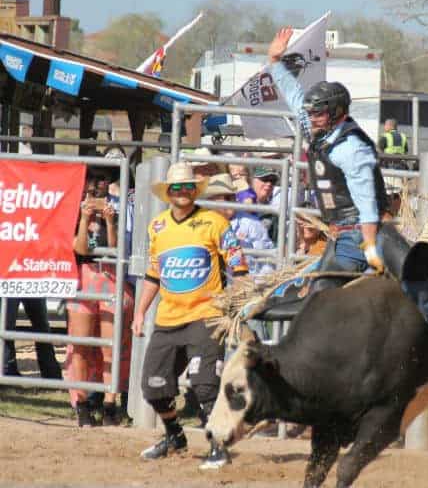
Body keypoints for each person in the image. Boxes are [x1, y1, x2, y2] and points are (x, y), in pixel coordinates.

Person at [266, 27, 428, 378]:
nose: (312, 117)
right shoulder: (319, 130)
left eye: (319, 113)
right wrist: (275, 62)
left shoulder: (352, 149)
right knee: (314, 296)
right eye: (312, 113)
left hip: (373, 232)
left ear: (337, 114)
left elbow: (367, 203)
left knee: (413, 280)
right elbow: (294, 97)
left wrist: (371, 245)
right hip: (341, 237)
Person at [132, 162, 248, 470]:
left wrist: (235, 305)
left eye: (187, 188)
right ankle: (174, 436)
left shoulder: (214, 223)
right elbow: (153, 274)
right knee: (153, 387)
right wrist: (140, 312)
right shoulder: (158, 227)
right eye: (176, 188)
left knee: (205, 384)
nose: (182, 193)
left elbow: (239, 267)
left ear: (194, 192)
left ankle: (218, 446)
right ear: (168, 193)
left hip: (206, 316)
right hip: (168, 319)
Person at [66, 168, 134, 427]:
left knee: (110, 347)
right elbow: (81, 248)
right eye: (93, 179)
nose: (98, 186)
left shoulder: (116, 210)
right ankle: (82, 405)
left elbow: (116, 250)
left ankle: (109, 404)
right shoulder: (73, 209)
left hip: (111, 278)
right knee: (81, 345)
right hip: (84, 276)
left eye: (103, 180)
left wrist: (108, 221)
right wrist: (85, 218)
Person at [203, 173, 275, 278]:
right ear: (211, 200)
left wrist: (256, 286)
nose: (232, 201)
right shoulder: (200, 223)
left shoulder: (252, 224)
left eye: (233, 196)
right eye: (226, 197)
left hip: (245, 287)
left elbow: (267, 262)